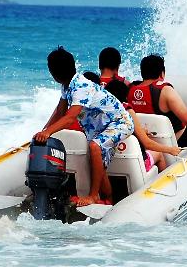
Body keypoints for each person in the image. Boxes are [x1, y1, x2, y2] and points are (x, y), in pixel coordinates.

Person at [33, 47, 134, 206]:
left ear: (54, 73)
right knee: (99, 163)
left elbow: (70, 118)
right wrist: (44, 131)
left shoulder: (80, 86)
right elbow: (60, 111)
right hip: (100, 128)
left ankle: (93, 196)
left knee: (95, 147)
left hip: (119, 122)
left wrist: (48, 133)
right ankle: (109, 199)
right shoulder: (67, 86)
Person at [127, 54, 187, 147]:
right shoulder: (165, 91)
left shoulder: (129, 90)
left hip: (144, 142)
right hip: (176, 142)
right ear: (162, 74)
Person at [105, 79, 180, 172]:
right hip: (135, 164)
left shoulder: (102, 112)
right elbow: (147, 143)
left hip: (109, 163)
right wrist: (170, 150)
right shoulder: (127, 111)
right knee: (158, 154)